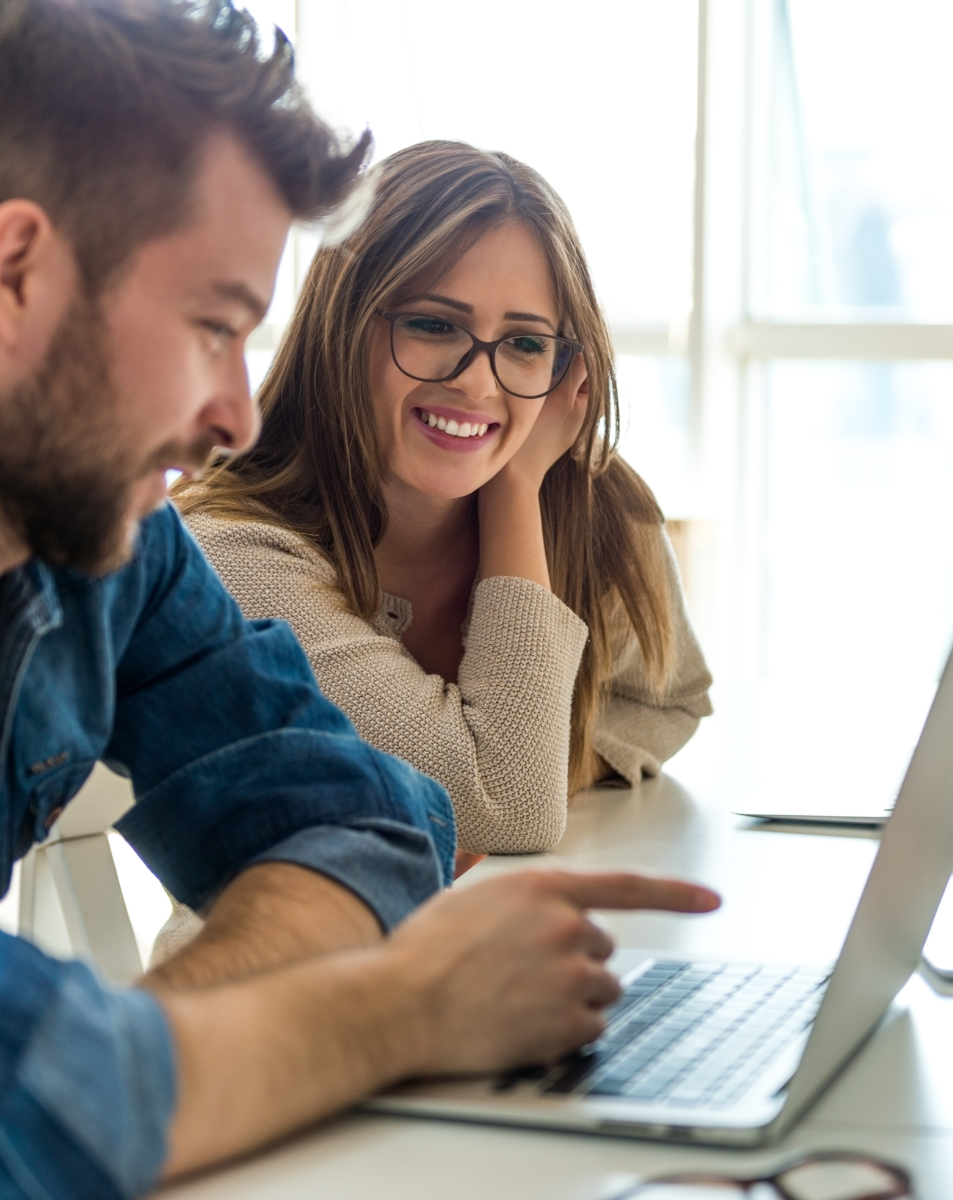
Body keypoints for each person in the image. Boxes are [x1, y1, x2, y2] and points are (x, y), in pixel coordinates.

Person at [0, 2, 720, 1196]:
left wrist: (132, 1057)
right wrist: (397, 1009)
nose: (238, 415)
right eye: (215, 326)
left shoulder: (108, 551)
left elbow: (372, 824)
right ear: (17, 273)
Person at [172, 141, 713, 862]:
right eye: (433, 325)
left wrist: (541, 758)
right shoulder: (232, 549)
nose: (479, 386)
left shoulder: (590, 503)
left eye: (523, 343)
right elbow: (506, 808)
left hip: (506, 942)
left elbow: (666, 698)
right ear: (344, 323)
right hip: (295, 967)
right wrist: (516, 490)